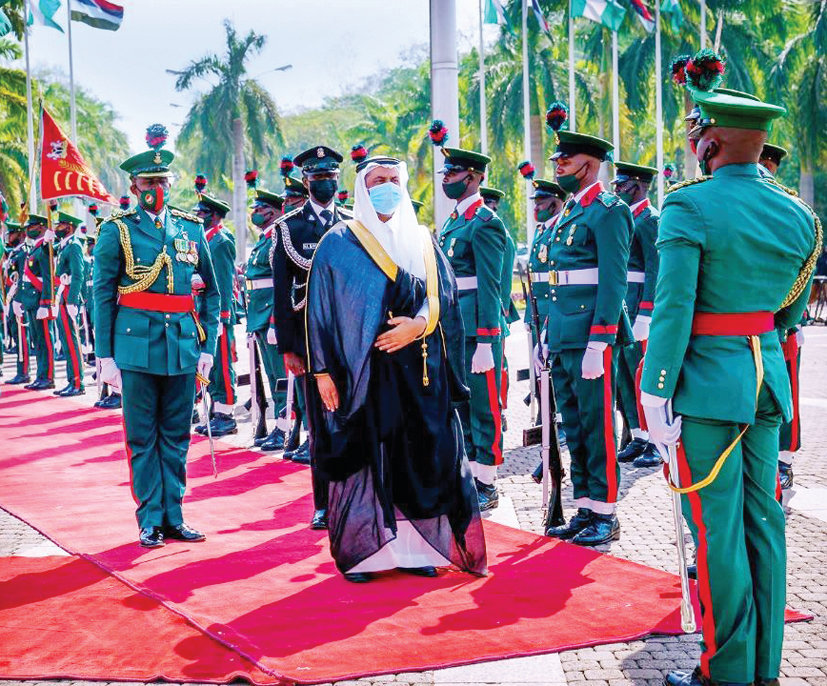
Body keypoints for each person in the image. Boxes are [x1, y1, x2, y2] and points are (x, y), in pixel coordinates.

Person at [639, 71, 820, 686]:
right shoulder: (801, 218)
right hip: (766, 382)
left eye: (697, 131)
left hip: (708, 387)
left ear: (710, 143)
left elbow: (674, 307)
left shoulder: (689, 204)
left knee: (717, 532)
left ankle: (727, 672)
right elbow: (788, 315)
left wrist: (655, 387)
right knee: (763, 525)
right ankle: (763, 668)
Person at [306, 155, 487, 582]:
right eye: (377, 181)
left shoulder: (423, 238)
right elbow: (320, 311)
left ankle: (415, 549)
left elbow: (443, 296)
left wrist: (417, 326)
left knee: (416, 454)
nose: (386, 186)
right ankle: (366, 555)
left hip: (417, 367)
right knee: (367, 456)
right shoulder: (339, 241)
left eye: (392, 179)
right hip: (360, 372)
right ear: (362, 189)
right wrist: (322, 373)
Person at [94, 124, 219, 549]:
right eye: (149, 182)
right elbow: (102, 294)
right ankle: (149, 518)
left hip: (183, 344)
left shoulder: (189, 228)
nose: (157, 189)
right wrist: (105, 356)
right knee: (142, 436)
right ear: (134, 185)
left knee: (177, 435)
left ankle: (174, 515)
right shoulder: (117, 230)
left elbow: (213, 293)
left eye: (163, 182)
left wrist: (208, 347)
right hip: (136, 346)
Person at [542, 128, 634, 547]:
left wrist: (601, 341)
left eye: (566, 159)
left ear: (590, 164)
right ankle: (584, 506)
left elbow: (614, 282)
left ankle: (605, 512)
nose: (558, 165)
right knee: (574, 426)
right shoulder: (569, 212)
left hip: (589, 339)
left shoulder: (608, 210)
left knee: (597, 427)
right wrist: (548, 330)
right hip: (564, 334)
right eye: (557, 159)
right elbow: (557, 283)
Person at [270, 145, 351, 529]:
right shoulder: (289, 228)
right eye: (318, 177)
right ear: (305, 181)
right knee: (319, 425)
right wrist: (289, 348)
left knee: (354, 419)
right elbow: (281, 295)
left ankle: (354, 497)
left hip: (352, 338)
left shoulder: (352, 223)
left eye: (331, 176)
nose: (325, 183)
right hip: (310, 342)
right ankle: (324, 503)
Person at [437, 148, 507, 512]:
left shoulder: (485, 221)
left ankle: (487, 480)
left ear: (475, 177)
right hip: (452, 330)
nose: (447, 178)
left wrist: (486, 339)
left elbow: (490, 286)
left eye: (454, 173)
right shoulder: (452, 223)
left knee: (483, 406)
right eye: (445, 173)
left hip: (476, 333)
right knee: (459, 405)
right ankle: (466, 472)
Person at [610, 162, 661, 468]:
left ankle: (656, 439)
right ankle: (639, 434)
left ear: (638, 185)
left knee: (644, 375)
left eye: (622, 185)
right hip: (624, 304)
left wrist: (647, 312)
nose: (617, 190)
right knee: (625, 376)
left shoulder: (649, 219)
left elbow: (655, 269)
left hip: (639, 305)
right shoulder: (626, 217)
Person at [758, 143, 800, 490]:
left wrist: (787, 323)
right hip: (756, 323)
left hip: (780, 323)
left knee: (783, 392)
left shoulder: (787, 207)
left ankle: (784, 458)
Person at [245, 189, 299, 452]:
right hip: (260, 315)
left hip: (270, 314)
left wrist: (278, 321)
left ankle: (286, 426)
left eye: (260, 208)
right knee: (270, 373)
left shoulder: (277, 239)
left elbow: (282, 284)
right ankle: (279, 424)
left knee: (281, 376)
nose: (255, 213)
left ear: (273, 211)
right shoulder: (263, 240)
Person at [193, 194, 238, 437]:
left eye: (202, 212)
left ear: (215, 215)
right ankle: (214, 410)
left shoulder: (220, 242)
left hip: (217, 315)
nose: (198, 216)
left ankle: (226, 414)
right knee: (209, 364)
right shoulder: (205, 241)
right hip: (204, 312)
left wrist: (221, 317)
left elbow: (222, 282)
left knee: (221, 365)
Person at [481, 186, 518, 433]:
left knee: (498, 366)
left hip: (493, 312)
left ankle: (500, 409)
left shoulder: (500, 235)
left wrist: (500, 310)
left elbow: (501, 281)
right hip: (489, 311)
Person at [19, 214, 56, 391]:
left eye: (32, 226)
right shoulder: (35, 248)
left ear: (41, 227)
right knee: (37, 340)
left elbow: (48, 277)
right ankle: (41, 375)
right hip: (32, 302)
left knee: (45, 340)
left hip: (40, 301)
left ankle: (48, 376)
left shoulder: (44, 248)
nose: (28, 230)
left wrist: (46, 302)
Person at [53, 211, 86, 396]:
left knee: (72, 342)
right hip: (62, 297)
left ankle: (77, 383)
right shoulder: (63, 246)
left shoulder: (74, 246)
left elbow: (78, 275)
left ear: (70, 227)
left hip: (69, 299)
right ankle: (70, 380)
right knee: (66, 342)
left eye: (61, 225)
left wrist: (73, 300)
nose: (58, 228)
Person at [3, 222, 31, 385]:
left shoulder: (22, 254)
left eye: (12, 233)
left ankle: (24, 371)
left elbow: (21, 279)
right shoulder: (14, 253)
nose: (9, 237)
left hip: (18, 300)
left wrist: (19, 300)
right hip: (12, 299)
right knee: (16, 334)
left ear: (20, 235)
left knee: (21, 337)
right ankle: (20, 370)